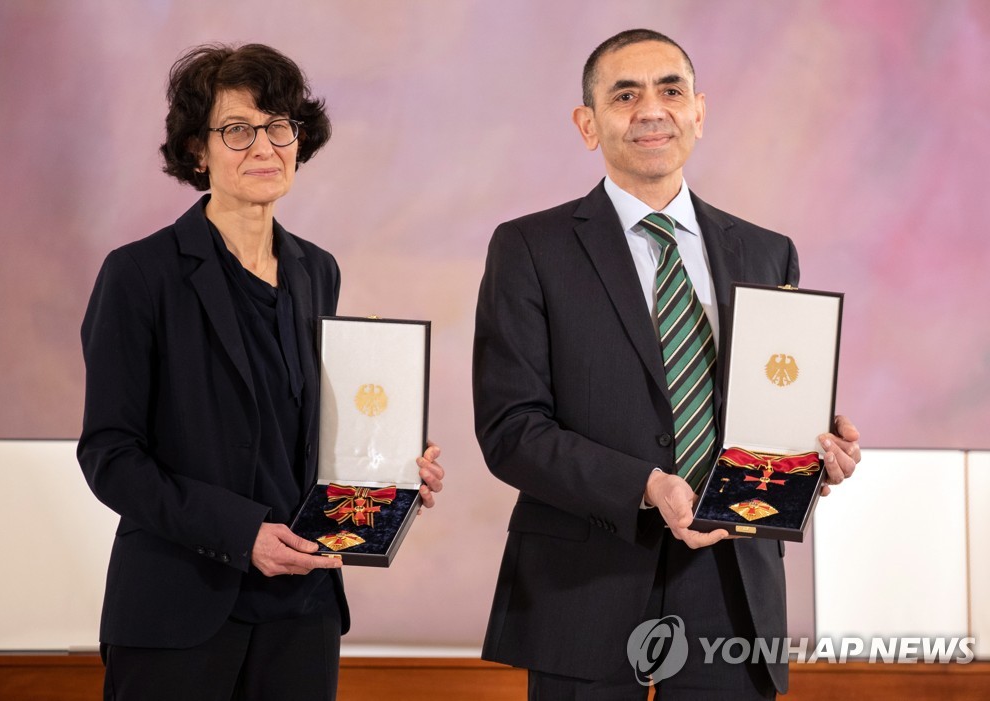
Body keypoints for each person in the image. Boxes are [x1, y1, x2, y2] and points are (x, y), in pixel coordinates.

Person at [473, 29, 860, 700]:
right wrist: (648, 484)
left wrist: (813, 449)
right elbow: (512, 431)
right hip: (583, 586)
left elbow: (770, 400)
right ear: (587, 125)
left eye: (670, 90)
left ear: (699, 113)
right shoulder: (530, 249)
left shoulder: (768, 253)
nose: (652, 110)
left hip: (732, 583)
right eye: (625, 95)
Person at [78, 43, 444, 701]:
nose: (265, 147)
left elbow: (304, 430)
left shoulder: (317, 269)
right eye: (238, 130)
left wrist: (389, 467)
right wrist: (240, 533)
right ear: (198, 149)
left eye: (280, 127)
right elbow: (110, 455)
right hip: (179, 610)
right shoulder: (139, 275)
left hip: (303, 612)